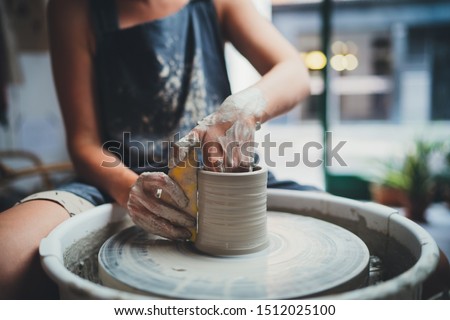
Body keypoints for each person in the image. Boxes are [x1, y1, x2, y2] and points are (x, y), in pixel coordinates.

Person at [0, 0, 311, 299]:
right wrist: (129, 190)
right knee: (7, 250)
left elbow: (294, 71)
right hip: (123, 182)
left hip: (227, 180)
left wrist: (247, 106)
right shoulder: (74, 7)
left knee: (349, 234)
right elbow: (84, 144)